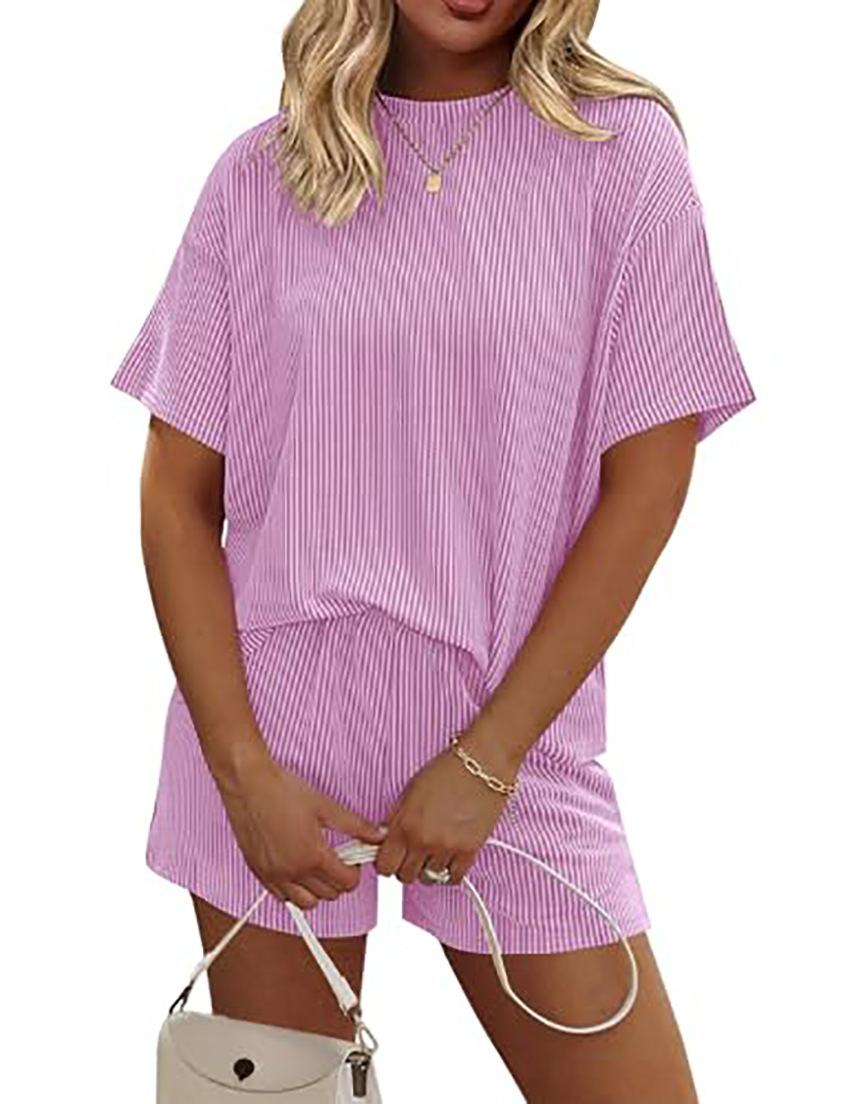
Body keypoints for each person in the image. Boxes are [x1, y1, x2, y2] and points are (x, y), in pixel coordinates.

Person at [109, 1, 756, 1099]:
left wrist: (488, 760)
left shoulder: (620, 155)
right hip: (272, 743)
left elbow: (646, 484)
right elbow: (176, 497)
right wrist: (244, 775)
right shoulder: (260, 177)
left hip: (514, 742)